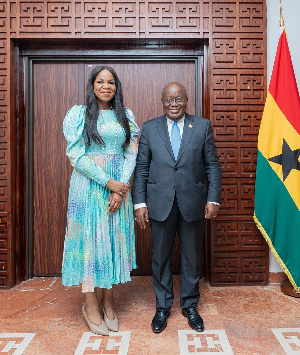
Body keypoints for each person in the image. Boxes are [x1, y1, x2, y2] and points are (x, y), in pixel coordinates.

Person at [133, 82, 221, 333]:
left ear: (186, 101)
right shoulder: (150, 128)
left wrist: (213, 199)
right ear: (162, 102)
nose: (174, 104)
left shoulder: (202, 126)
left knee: (191, 257)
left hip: (193, 202)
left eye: (179, 99)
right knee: (160, 258)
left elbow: (212, 165)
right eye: (169, 100)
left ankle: (190, 305)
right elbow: (142, 168)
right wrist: (140, 202)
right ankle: (162, 307)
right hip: (159, 203)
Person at [62, 65, 140, 335]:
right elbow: (76, 155)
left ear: (116, 87)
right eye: (100, 81)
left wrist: (120, 189)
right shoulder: (78, 114)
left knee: (112, 242)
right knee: (91, 244)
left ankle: (108, 300)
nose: (106, 86)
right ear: (92, 85)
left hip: (120, 186)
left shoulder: (125, 114)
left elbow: (132, 151)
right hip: (89, 186)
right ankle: (90, 302)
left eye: (111, 82)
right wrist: (108, 183)